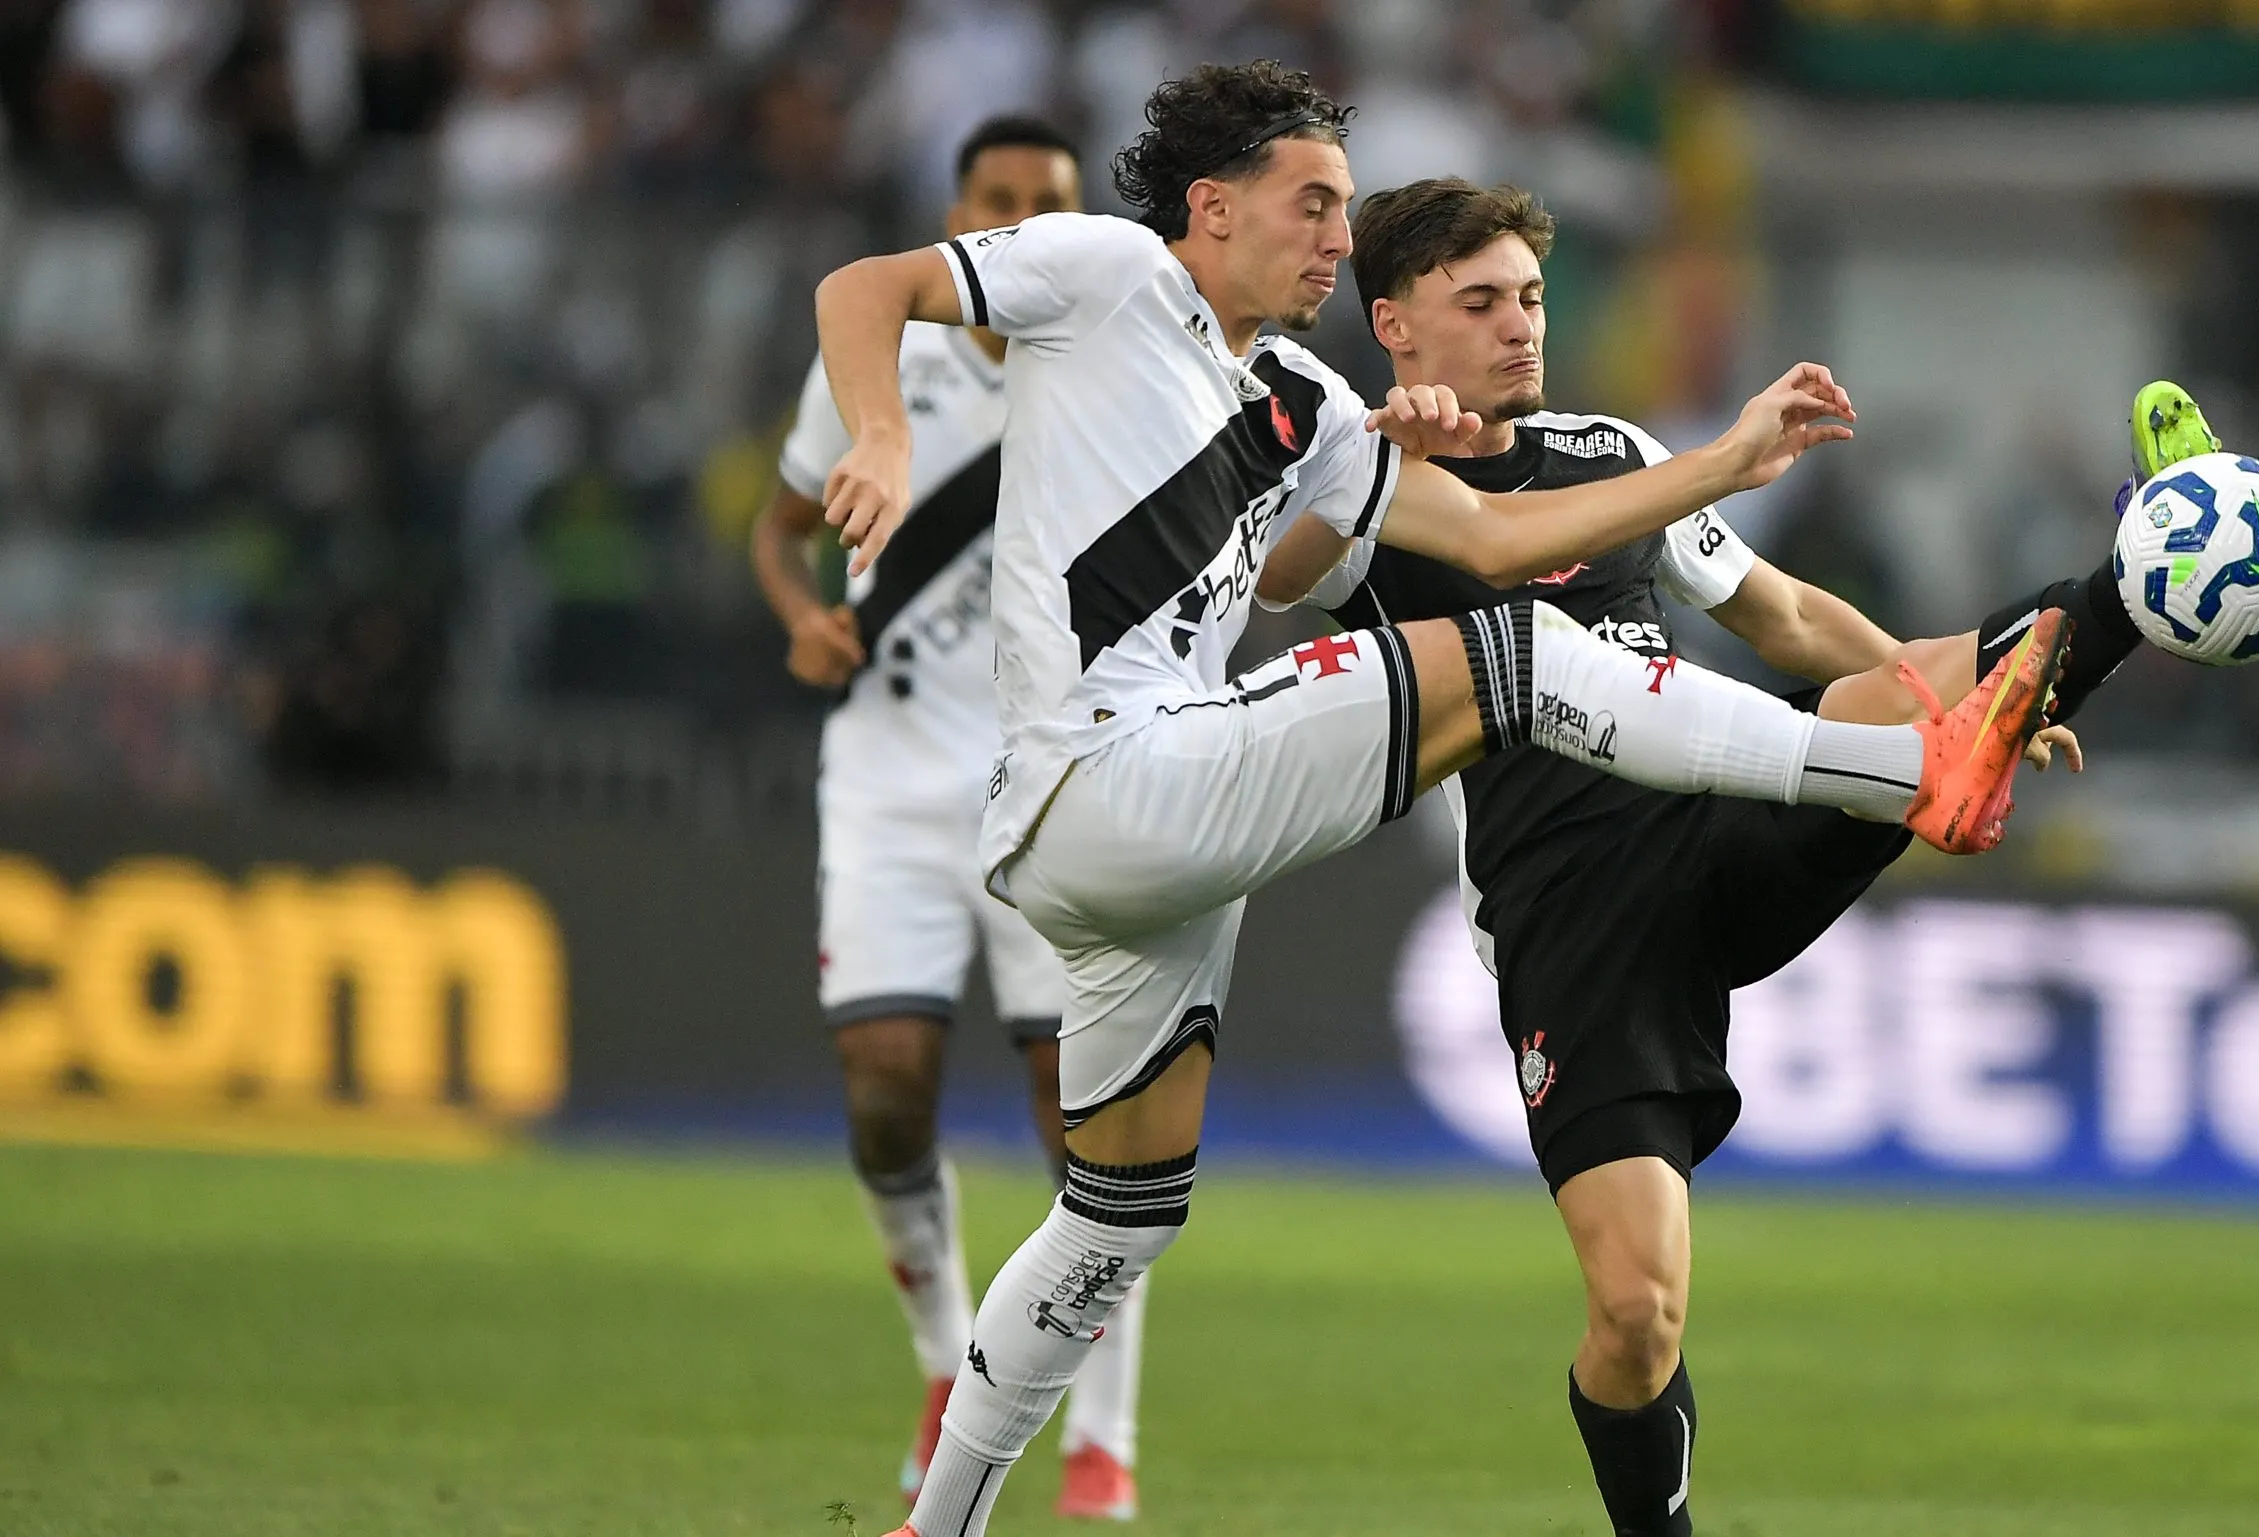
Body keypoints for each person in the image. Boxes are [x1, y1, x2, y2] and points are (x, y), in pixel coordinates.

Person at [808, 62, 2069, 1537]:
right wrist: (881, 434)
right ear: (1213, 209)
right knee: (1523, 657)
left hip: (1133, 854)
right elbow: (864, 285)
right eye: (1314, 203)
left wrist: (1710, 463)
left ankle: (934, 1526)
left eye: (1348, 207)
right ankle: (1914, 774)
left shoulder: (1305, 404)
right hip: (1107, 771)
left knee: (1112, 1223)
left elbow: (1490, 528)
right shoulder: (1107, 274)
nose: (1338, 237)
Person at [1260, 177, 2213, 1537]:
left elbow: (1780, 616)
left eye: (1531, 297)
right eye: (1481, 304)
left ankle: (2134, 572)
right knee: (1637, 1317)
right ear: (1396, 323)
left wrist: (1972, 711)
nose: (1522, 327)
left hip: (1720, 797)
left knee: (1898, 700)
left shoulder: (1608, 451)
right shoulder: (1373, 485)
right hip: (1575, 919)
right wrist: (1363, 455)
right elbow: (1276, 577)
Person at [746, 115, 1145, 1523]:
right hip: (893, 776)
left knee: (1086, 1120)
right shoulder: (886, 354)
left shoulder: (1108, 361)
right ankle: (941, 1358)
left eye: (1048, 200)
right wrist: (802, 618)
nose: (1022, 216)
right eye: (998, 197)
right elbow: (780, 530)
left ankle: (1103, 1427)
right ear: (958, 206)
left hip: (1054, 778)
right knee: (886, 1090)